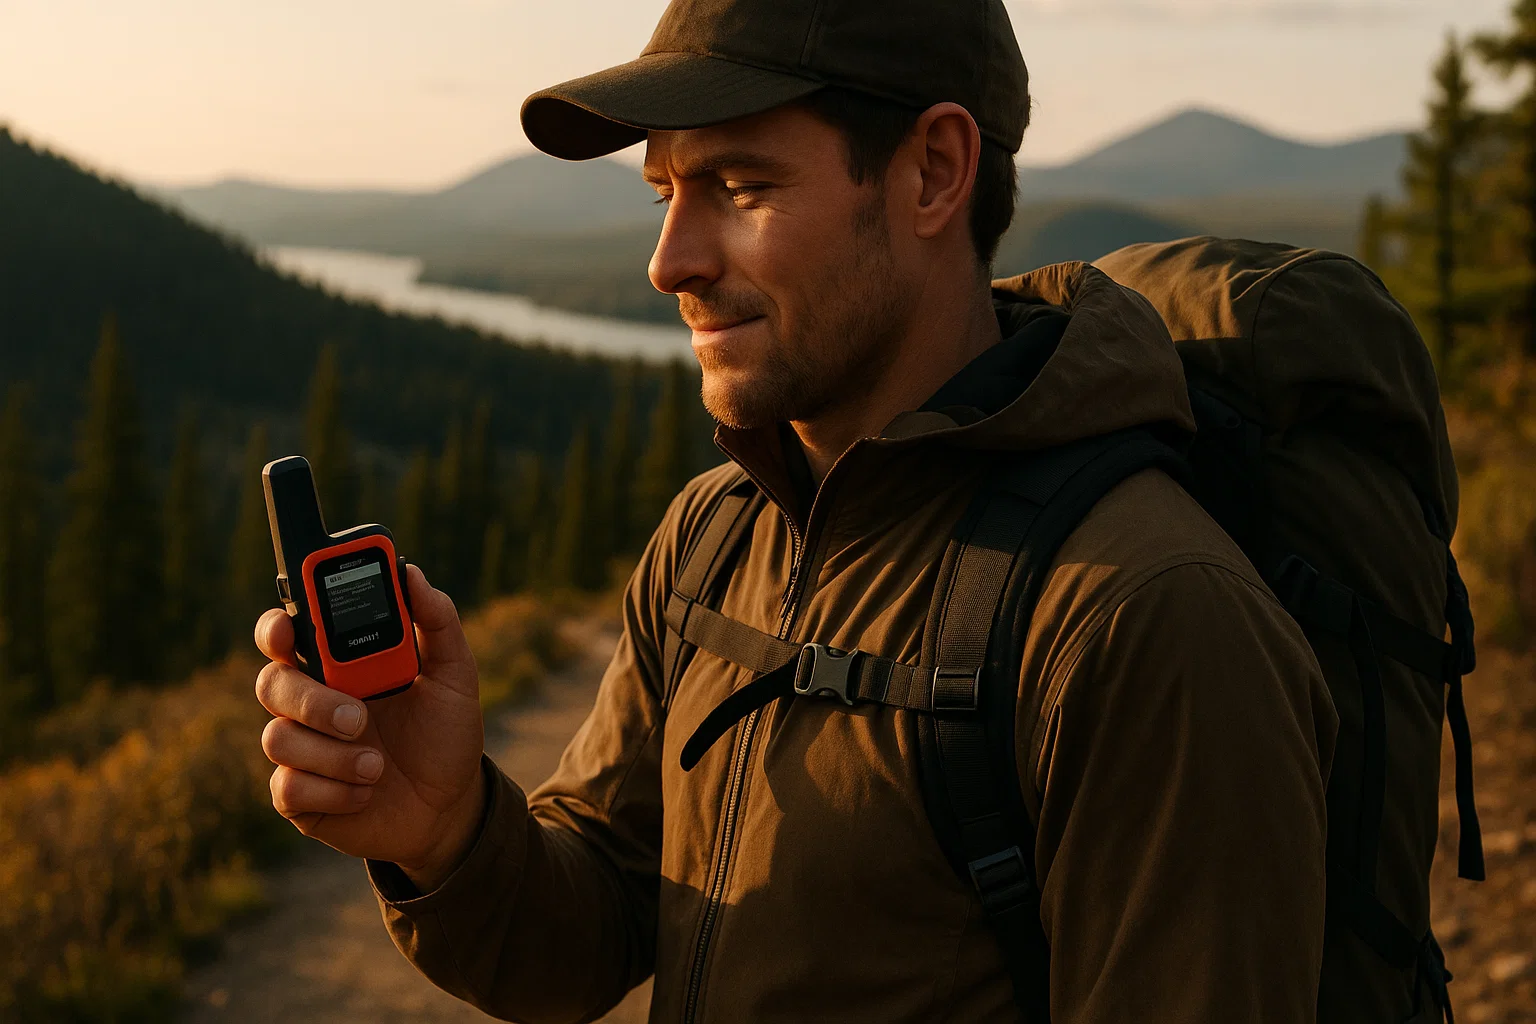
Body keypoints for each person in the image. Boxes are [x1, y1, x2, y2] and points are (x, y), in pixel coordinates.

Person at [254, 0, 1339, 1020]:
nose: (668, 262)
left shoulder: (1147, 617)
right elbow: (596, 925)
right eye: (663, 195)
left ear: (934, 172)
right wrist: (448, 835)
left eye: (738, 186)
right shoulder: (715, 532)